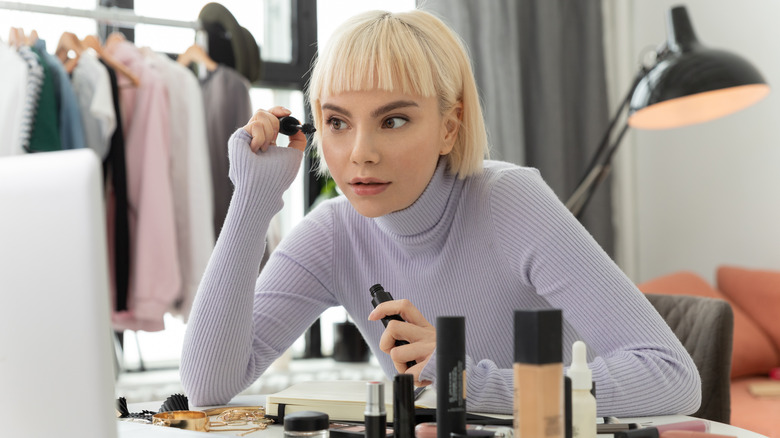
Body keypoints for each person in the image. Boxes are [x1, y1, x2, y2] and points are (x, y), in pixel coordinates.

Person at [181, 9, 701, 416]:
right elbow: (206, 385)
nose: (360, 152)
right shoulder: (333, 233)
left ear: (449, 126)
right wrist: (252, 200)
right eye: (337, 122)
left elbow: (673, 376)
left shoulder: (510, 201)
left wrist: (468, 381)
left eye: (394, 120)